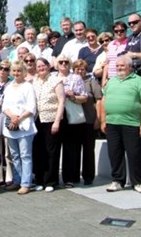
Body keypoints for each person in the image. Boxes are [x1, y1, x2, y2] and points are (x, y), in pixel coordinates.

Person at [100, 56, 141, 194]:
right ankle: (117, 181)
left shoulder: (139, 81)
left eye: (122, 66)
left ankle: (138, 182)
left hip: (132, 124)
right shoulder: (111, 81)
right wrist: (103, 120)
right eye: (117, 66)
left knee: (134, 154)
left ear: (130, 67)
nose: (119, 68)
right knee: (115, 154)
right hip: (112, 124)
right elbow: (104, 101)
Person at [2, 60, 37, 195]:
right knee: (15, 155)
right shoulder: (9, 86)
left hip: (24, 126)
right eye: (14, 71)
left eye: (19, 71)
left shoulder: (28, 86)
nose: (16, 73)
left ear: (24, 72)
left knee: (25, 155)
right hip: (11, 125)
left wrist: (18, 118)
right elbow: (5, 106)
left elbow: (31, 107)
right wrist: (12, 117)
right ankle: (17, 180)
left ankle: (26, 183)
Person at [32, 58, 64, 192]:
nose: (41, 68)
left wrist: (57, 121)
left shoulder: (56, 80)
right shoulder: (34, 81)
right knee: (38, 151)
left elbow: (62, 101)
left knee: (52, 151)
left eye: (43, 65)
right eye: (38, 66)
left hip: (51, 119)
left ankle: (51, 181)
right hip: (37, 120)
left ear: (48, 66)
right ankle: (40, 180)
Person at [56, 55, 87, 187]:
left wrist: (73, 96)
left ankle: (70, 177)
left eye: (66, 62)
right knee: (55, 148)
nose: (63, 64)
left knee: (71, 148)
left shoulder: (76, 78)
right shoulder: (52, 77)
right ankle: (54, 178)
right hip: (55, 115)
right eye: (60, 62)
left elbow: (84, 97)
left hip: (70, 116)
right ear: (56, 64)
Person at [73, 59, 103, 185]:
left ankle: (88, 176)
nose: (80, 71)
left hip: (88, 120)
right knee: (74, 150)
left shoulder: (91, 82)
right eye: (77, 69)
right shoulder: (71, 81)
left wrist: (98, 119)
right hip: (73, 121)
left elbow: (99, 100)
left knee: (88, 150)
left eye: (83, 69)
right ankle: (73, 176)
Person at [102, 21, 128, 87]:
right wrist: (104, 79)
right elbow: (107, 63)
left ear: (126, 31)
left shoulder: (129, 43)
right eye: (116, 31)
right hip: (110, 79)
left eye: (121, 30)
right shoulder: (110, 44)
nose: (119, 33)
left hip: (123, 78)